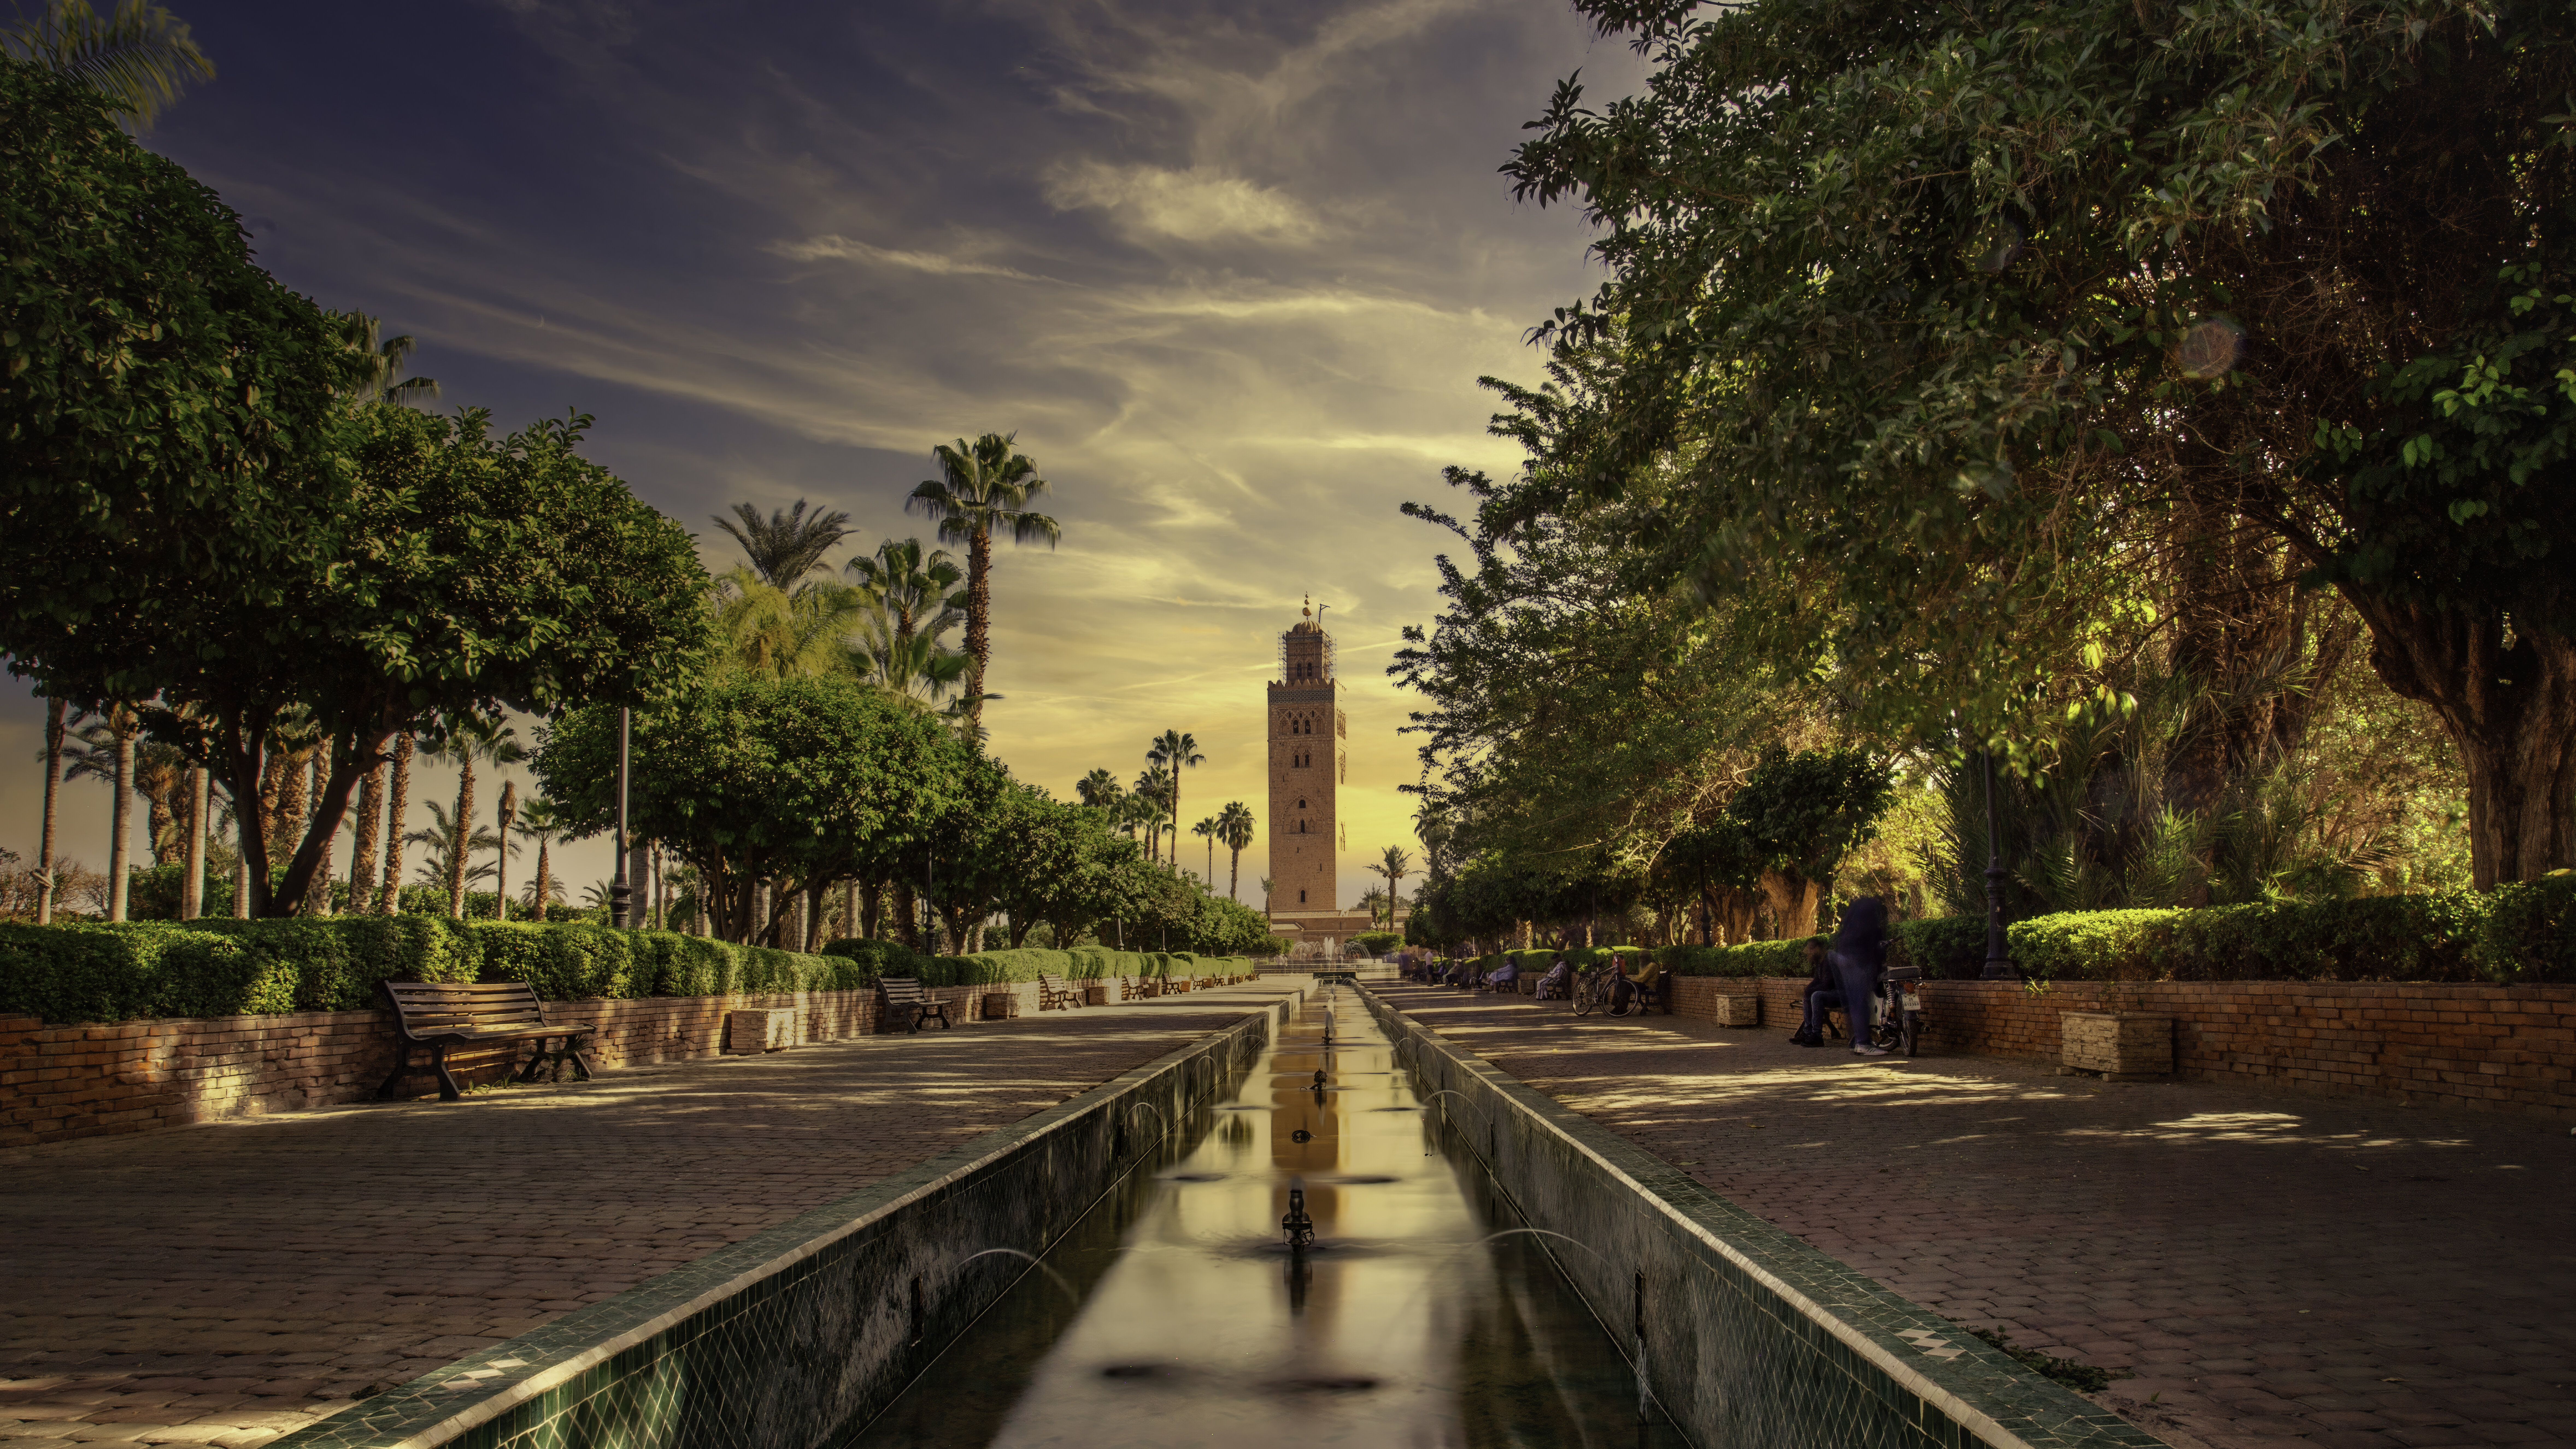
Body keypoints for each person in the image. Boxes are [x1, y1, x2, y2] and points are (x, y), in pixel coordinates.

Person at [1829, 896, 1892, 1058]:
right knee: (1860, 1003)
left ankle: (1857, 1041)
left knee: (1855, 1003)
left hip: (1845, 959)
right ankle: (1862, 1043)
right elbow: (1874, 947)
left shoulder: (1850, 925)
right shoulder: (1869, 924)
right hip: (1859, 962)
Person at [1788, 937, 1836, 1046]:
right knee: (1808, 996)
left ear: (1818, 948)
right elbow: (1817, 981)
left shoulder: (1830, 960)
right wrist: (1806, 991)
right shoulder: (1820, 962)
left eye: (1811, 950)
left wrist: (1811, 991)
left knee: (1816, 996)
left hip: (1839, 994)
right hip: (1828, 994)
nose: (1808, 953)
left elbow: (1828, 984)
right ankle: (1808, 1033)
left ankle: (1817, 1036)